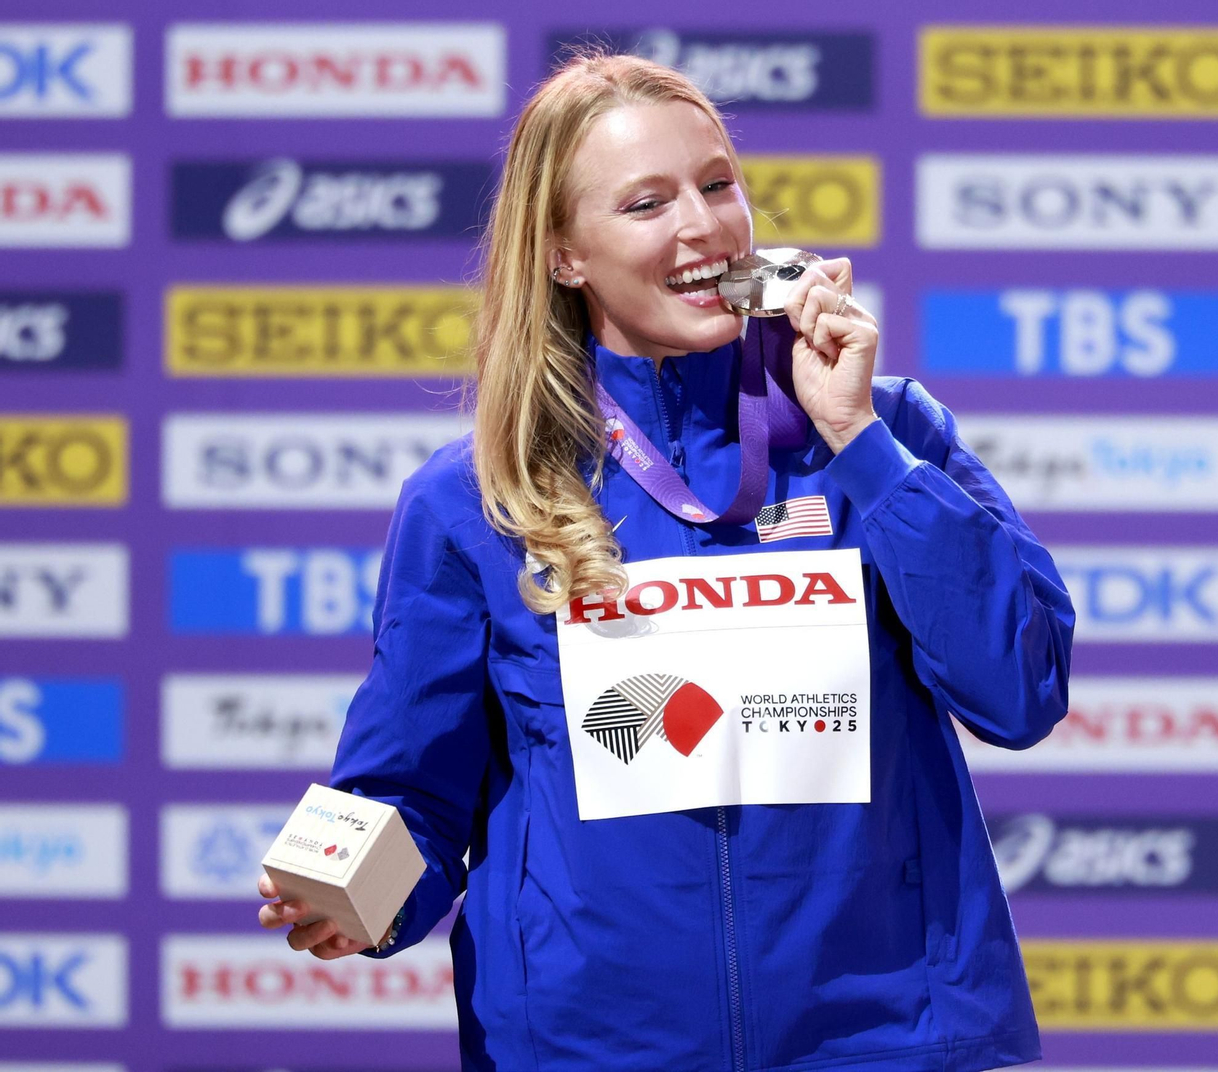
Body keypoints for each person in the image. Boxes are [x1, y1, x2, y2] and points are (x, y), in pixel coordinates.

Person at [257, 52, 1075, 1072]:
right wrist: (358, 897)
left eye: (717, 184)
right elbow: (414, 790)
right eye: (647, 202)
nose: (704, 227)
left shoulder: (887, 434)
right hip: (588, 1049)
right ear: (563, 255)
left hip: (887, 1040)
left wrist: (860, 440)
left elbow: (1021, 687)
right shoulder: (476, 497)